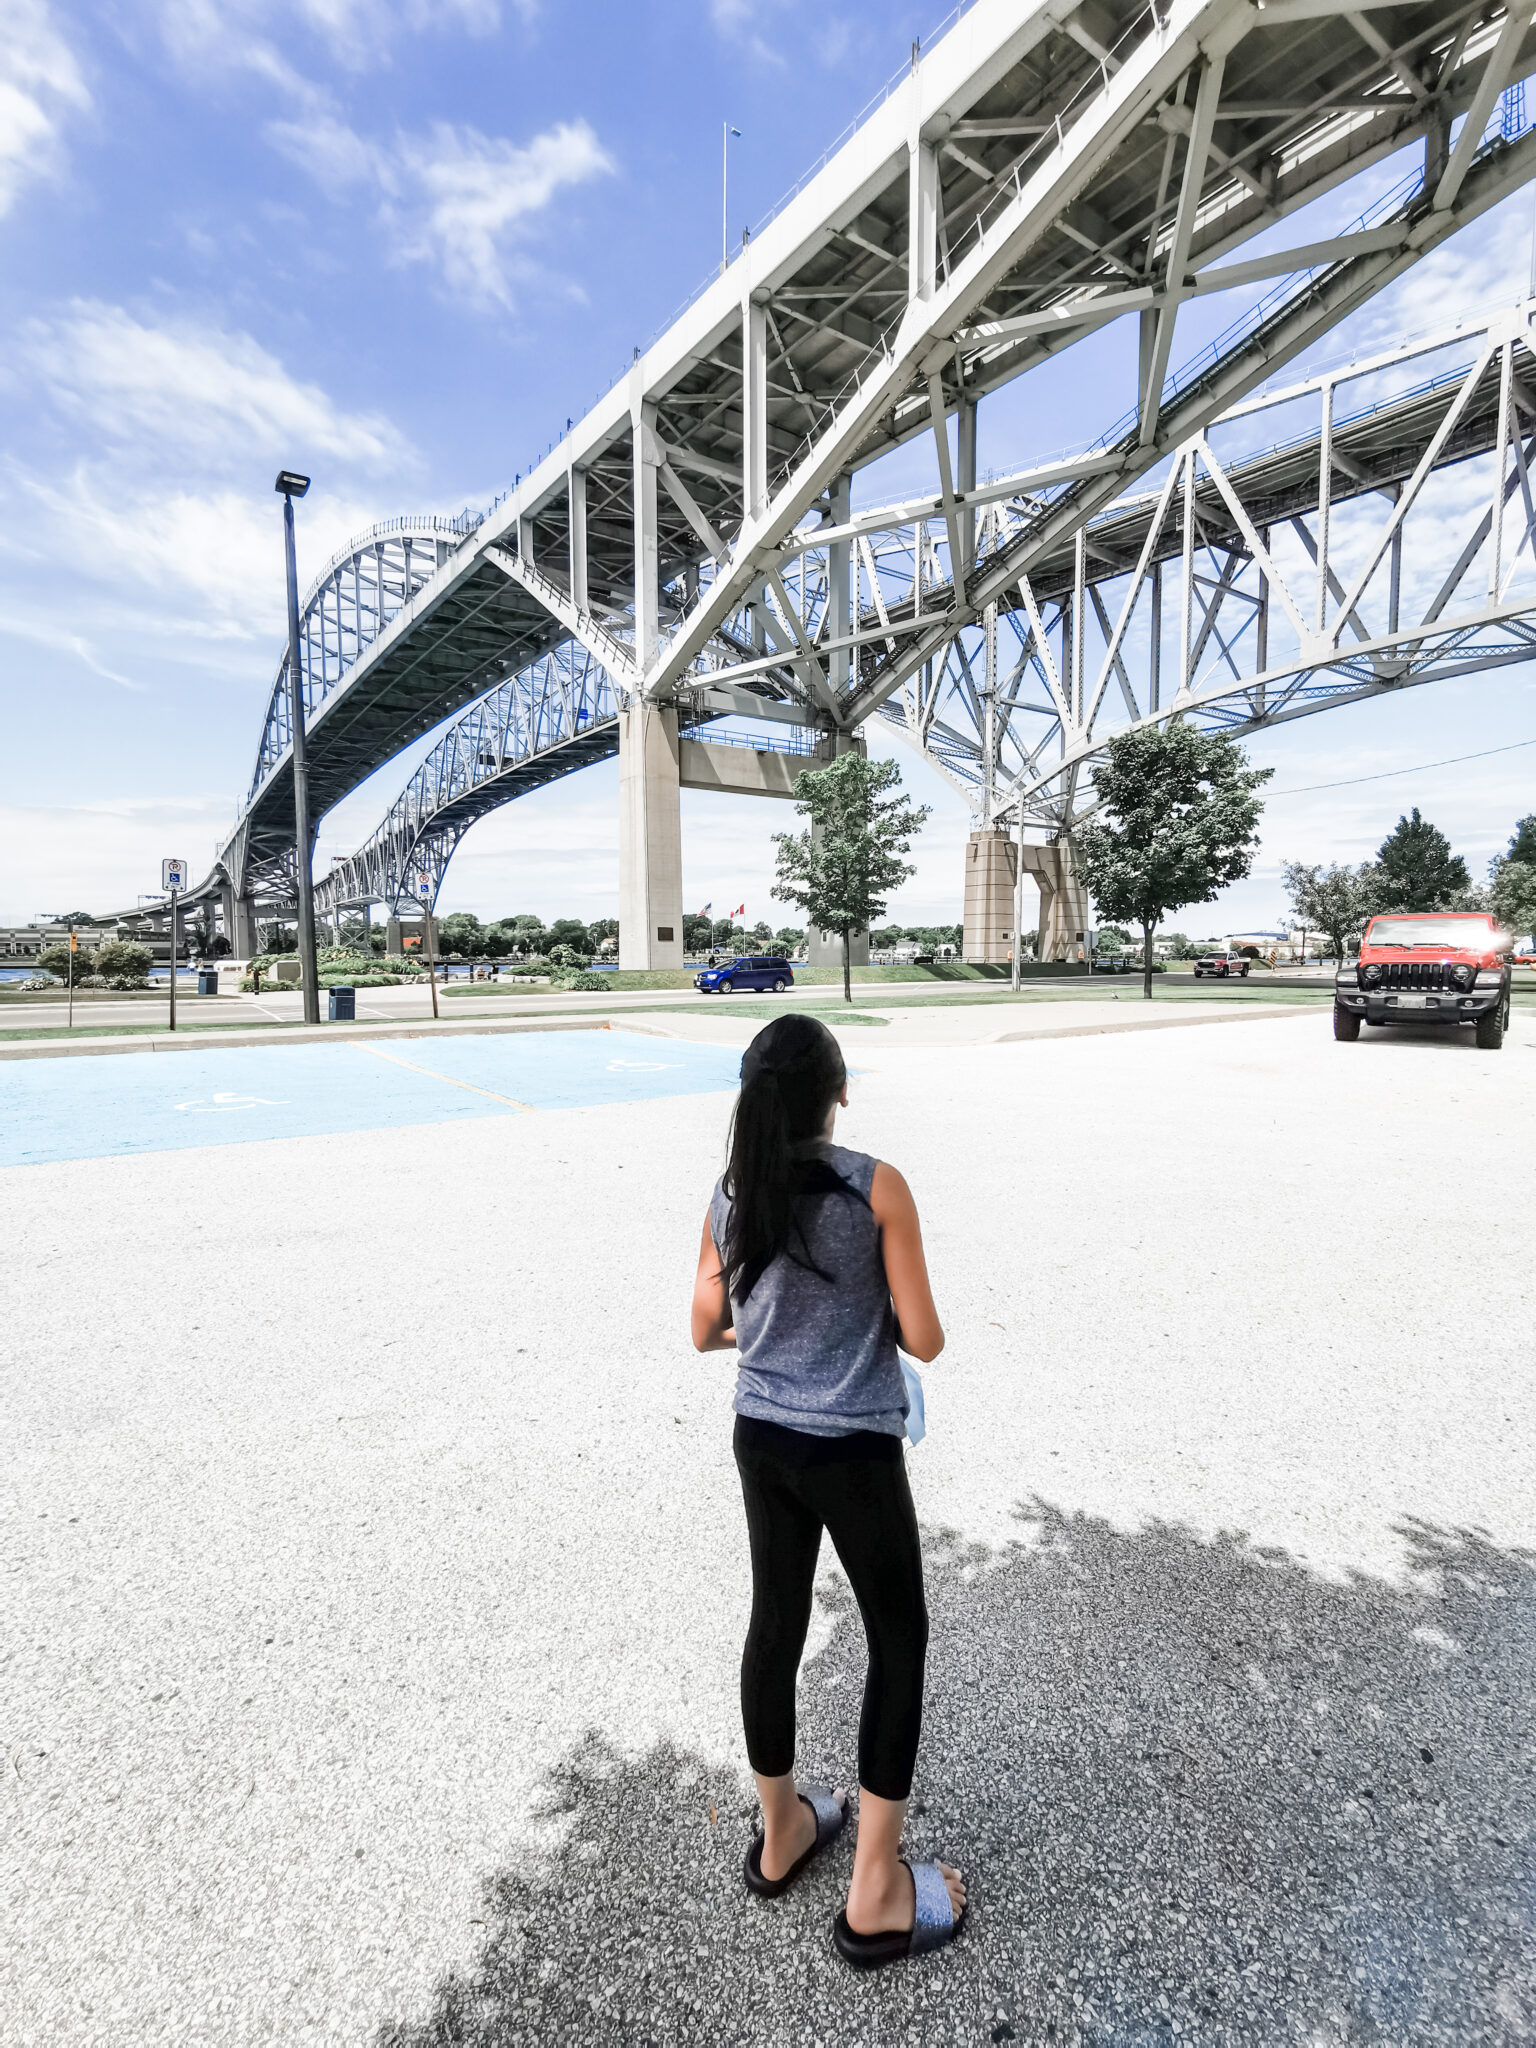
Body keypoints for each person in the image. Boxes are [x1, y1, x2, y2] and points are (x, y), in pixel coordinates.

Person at [690, 1014, 966, 1967]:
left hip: (760, 1438)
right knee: (899, 1635)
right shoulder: (874, 1186)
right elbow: (924, 1337)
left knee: (775, 1622)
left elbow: (703, 1327)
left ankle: (781, 1832)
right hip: (851, 1448)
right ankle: (877, 1890)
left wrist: (773, 1336)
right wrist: (857, 1318)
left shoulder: (734, 1193)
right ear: (839, 1091)